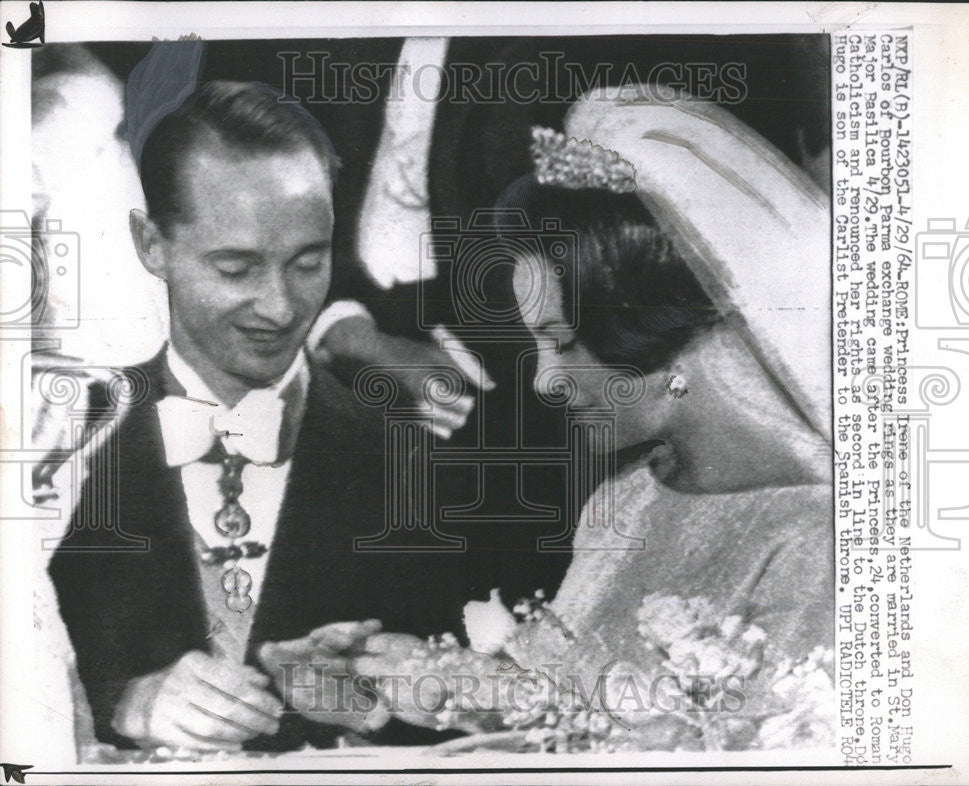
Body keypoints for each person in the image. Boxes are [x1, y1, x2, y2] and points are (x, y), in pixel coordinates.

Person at [327, 87, 835, 751]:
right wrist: (423, 674)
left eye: (562, 341)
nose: (545, 378)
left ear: (649, 326)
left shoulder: (816, 535)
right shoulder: (622, 498)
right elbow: (551, 699)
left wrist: (493, 692)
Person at [47, 78, 465, 754]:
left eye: (308, 263)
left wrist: (362, 696)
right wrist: (120, 701)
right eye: (237, 268)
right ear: (151, 245)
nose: (279, 308)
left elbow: (451, 732)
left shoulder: (405, 457)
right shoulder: (60, 444)